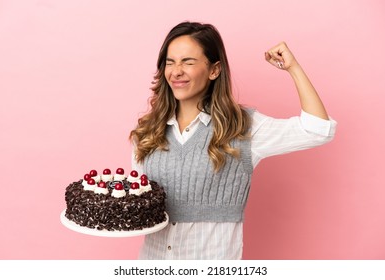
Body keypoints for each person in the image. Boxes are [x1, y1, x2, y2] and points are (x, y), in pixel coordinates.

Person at [129, 21, 336, 260]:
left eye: (188, 62)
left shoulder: (243, 127)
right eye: (170, 62)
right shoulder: (147, 132)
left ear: (214, 70)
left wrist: (294, 68)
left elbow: (319, 130)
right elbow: (138, 202)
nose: (176, 71)